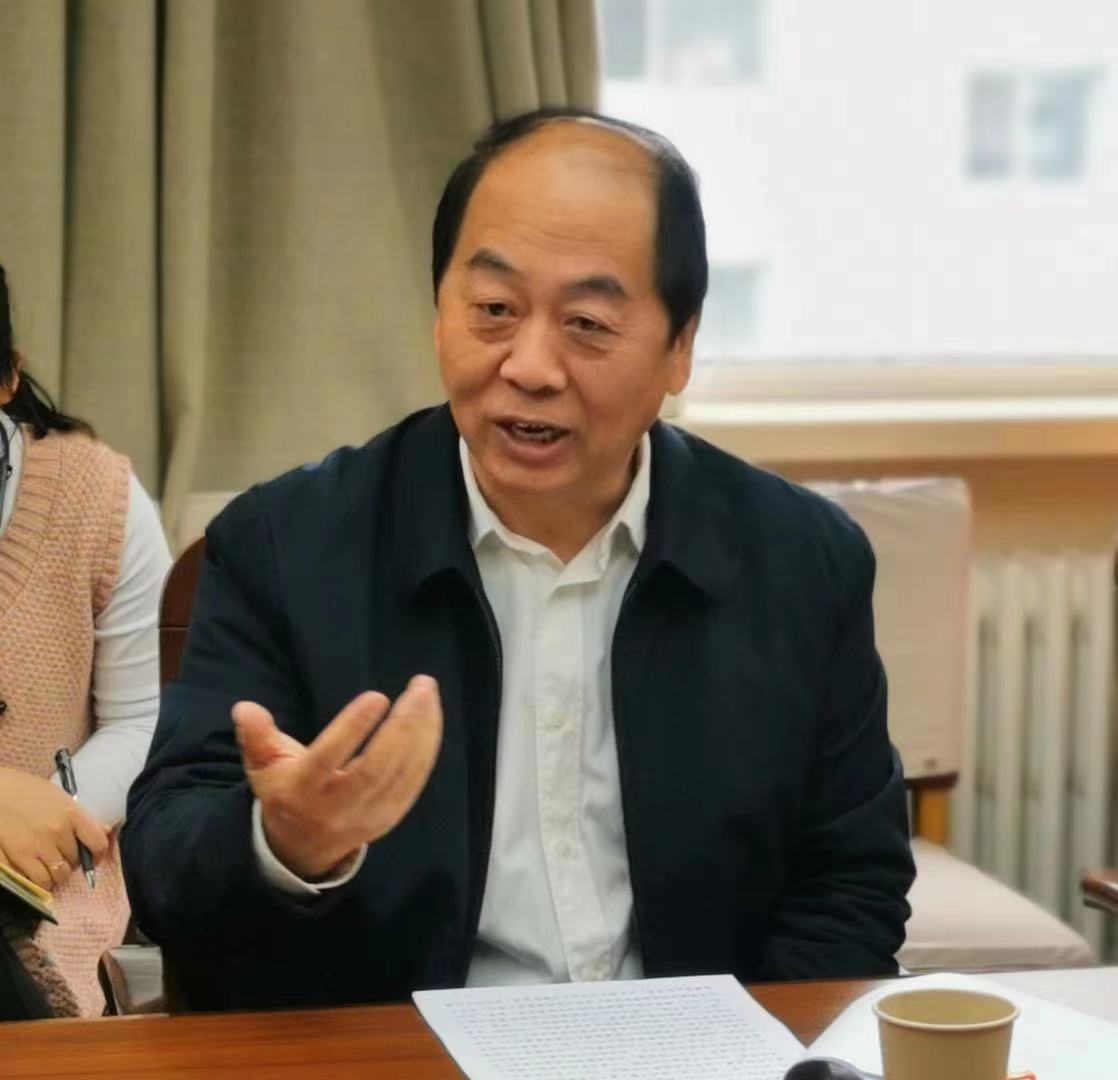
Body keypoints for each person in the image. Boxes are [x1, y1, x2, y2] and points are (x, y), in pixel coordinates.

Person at [122, 109, 914, 1011]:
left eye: (587, 322)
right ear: (440, 313)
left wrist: (746, 1051)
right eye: (494, 311)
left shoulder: (802, 561)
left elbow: (850, 883)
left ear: (680, 347)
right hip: (394, 1055)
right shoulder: (285, 545)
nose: (530, 366)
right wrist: (283, 842)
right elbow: (165, 870)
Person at [0, 264, 172, 1017]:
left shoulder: (95, 496)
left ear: (8, 377)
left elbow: (144, 722)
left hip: (50, 885)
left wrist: (46, 811)